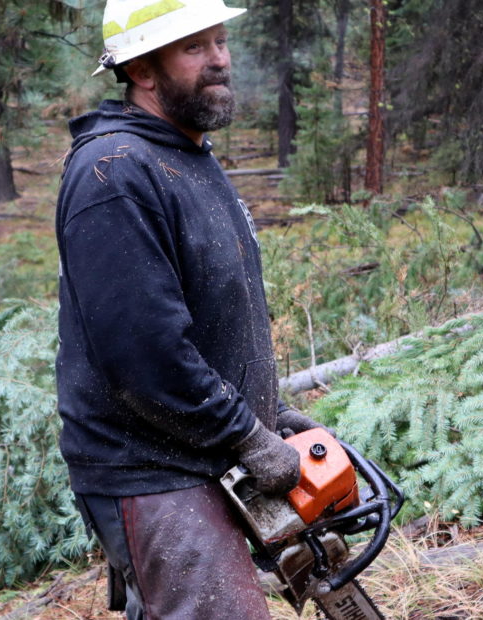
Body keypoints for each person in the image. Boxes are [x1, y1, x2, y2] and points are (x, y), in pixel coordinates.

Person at [54, 1, 324, 618]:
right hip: (151, 468)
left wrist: (267, 410)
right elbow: (145, 356)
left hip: (197, 453)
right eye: (194, 47)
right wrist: (245, 434)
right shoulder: (114, 174)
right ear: (143, 69)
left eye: (220, 41)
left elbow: (202, 318)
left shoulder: (184, 156)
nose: (220, 59)